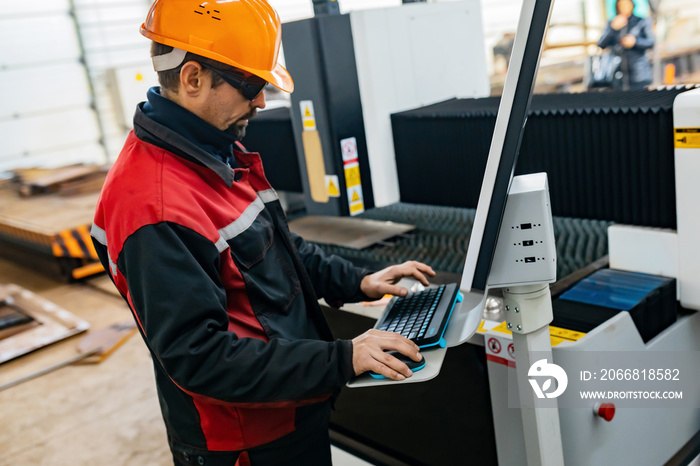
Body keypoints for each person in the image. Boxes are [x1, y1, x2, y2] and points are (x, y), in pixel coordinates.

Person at [90, 1, 435, 464]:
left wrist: (357, 281)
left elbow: (278, 251)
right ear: (193, 79)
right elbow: (201, 357)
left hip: (289, 407)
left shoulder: (214, 151)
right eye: (251, 84)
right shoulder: (154, 206)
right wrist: (342, 357)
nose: (260, 101)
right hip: (246, 441)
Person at [597, 0, 655, 90]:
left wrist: (635, 42)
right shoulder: (612, 23)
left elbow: (651, 42)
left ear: (632, 5)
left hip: (638, 73)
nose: (624, 7)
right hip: (616, 73)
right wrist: (613, 29)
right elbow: (601, 44)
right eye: (622, 5)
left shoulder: (641, 21)